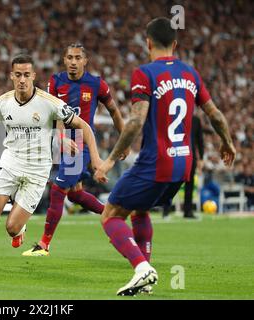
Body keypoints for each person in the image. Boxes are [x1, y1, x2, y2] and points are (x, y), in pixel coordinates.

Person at [94, 17, 236, 296]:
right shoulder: (191, 74)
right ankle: (145, 277)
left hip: (155, 161)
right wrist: (227, 142)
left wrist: (110, 160)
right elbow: (216, 115)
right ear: (175, 43)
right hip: (184, 164)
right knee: (141, 209)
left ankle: (141, 268)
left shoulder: (144, 73)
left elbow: (135, 121)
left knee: (110, 215)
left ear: (147, 42)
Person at [0, 54, 103, 267]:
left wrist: (96, 159)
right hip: (10, 162)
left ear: (34, 76)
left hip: (38, 169)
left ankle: (20, 228)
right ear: (11, 76)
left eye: (27, 74)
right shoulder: (2, 103)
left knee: (12, 228)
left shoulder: (50, 103)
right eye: (18, 75)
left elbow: (85, 127)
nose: (22, 79)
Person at [22, 43, 128, 256]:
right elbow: (55, 114)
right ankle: (114, 218)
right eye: (69, 57)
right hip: (63, 142)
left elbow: (115, 112)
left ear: (85, 61)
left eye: (78, 58)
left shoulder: (96, 84)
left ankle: (44, 245)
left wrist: (123, 139)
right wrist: (61, 137)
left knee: (57, 189)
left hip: (81, 142)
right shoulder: (56, 82)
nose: (73, 62)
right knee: (76, 194)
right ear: (64, 59)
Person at [163, 113, 204, 218]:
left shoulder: (196, 120)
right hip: (176, 154)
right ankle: (166, 209)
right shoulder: (175, 118)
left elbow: (200, 140)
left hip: (190, 156)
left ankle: (187, 210)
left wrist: (201, 158)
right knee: (171, 182)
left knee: (189, 184)